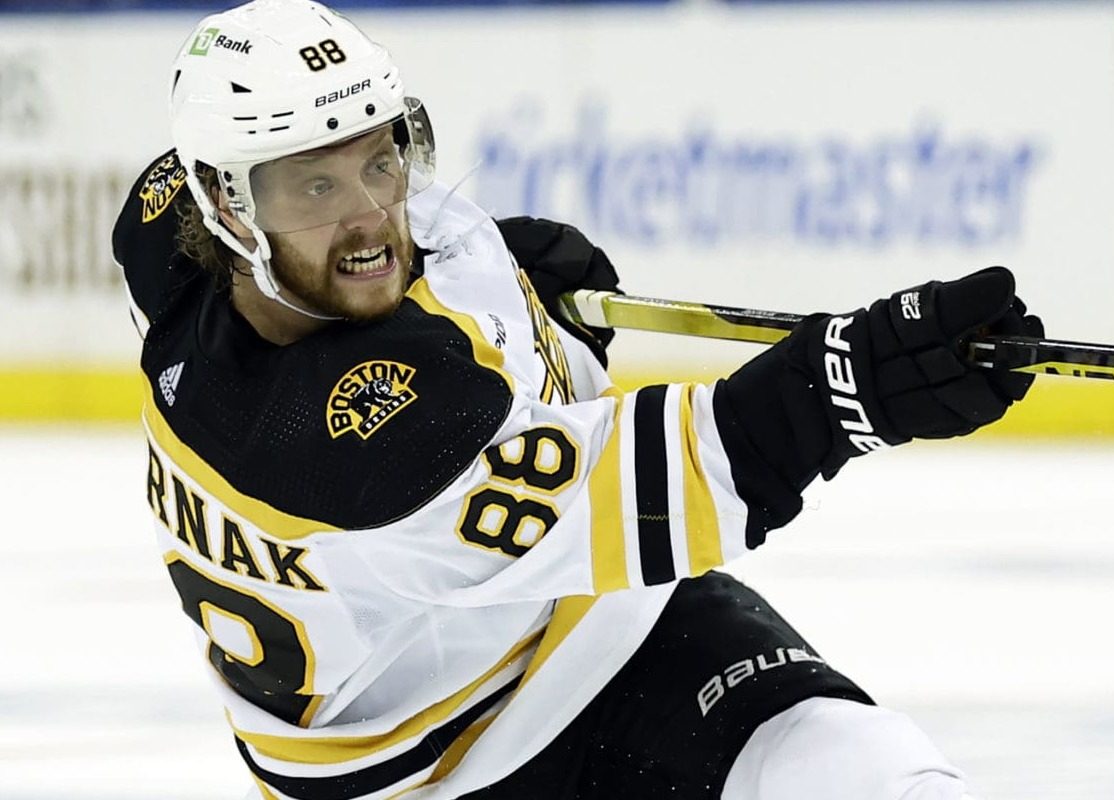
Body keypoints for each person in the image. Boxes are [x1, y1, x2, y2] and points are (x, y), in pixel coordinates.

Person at [112, 1, 1043, 797]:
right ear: (229, 209)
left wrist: (510, 292)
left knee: (868, 770)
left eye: (380, 161)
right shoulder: (354, 446)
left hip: (579, 631)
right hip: (446, 773)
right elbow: (671, 479)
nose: (369, 217)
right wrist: (852, 382)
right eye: (316, 186)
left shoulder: (177, 235)